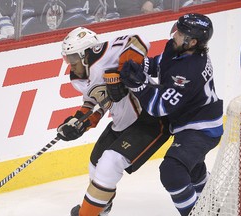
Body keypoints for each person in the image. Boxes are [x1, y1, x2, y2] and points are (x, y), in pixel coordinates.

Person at [57, 26, 170, 215]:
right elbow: (95, 101)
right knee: (95, 165)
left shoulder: (107, 54)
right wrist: (80, 122)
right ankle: (101, 209)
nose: (71, 64)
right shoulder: (78, 78)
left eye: (73, 58)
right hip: (122, 122)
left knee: (109, 163)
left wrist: (121, 73)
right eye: (67, 58)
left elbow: (138, 41)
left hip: (149, 118)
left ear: (87, 54)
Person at [118, 13, 223, 216]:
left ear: (192, 42)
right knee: (193, 170)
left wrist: (139, 85)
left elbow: (159, 107)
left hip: (201, 129)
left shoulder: (190, 70)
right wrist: (139, 66)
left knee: (172, 171)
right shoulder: (177, 49)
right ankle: (214, 209)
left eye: (180, 33)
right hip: (190, 124)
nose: (175, 34)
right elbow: (161, 65)